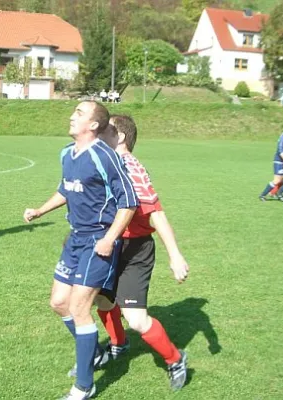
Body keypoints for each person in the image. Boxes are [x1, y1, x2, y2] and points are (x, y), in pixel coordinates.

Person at [23, 101, 138, 400]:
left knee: (79, 308)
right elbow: (66, 188)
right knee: (59, 303)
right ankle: (96, 353)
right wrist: (40, 210)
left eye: (79, 113)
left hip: (98, 239)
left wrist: (110, 238)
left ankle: (84, 387)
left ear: (94, 125)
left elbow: (128, 201)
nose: (72, 117)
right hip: (75, 238)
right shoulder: (66, 153)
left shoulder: (106, 156)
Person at [92, 114, 189, 391]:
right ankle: (118, 344)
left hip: (135, 249)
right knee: (101, 300)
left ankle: (175, 358)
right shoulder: (107, 162)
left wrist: (175, 255)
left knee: (136, 320)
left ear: (120, 137)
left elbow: (156, 213)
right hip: (109, 244)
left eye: (106, 129)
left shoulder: (131, 167)